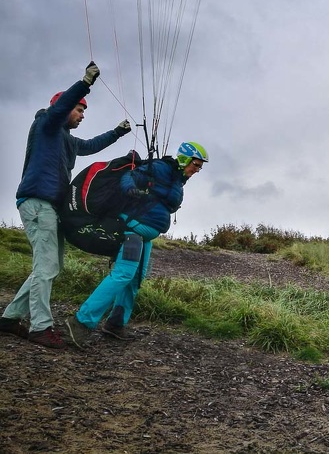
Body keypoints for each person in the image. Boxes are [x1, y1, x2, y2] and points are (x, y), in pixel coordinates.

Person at [0, 63, 131, 349]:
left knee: (50, 266)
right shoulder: (45, 125)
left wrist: (117, 133)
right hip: (37, 203)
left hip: (50, 208)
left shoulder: (67, 141)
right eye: (80, 110)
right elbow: (59, 110)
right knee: (46, 266)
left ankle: (10, 319)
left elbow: (92, 146)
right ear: (63, 106)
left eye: (84, 111)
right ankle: (40, 327)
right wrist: (85, 83)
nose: (82, 115)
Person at [65, 142, 208, 347]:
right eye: (196, 164)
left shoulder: (178, 179)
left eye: (200, 166)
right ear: (185, 158)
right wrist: (131, 189)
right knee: (123, 274)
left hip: (145, 236)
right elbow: (129, 176)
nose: (197, 169)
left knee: (136, 279)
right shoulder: (160, 167)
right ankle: (81, 322)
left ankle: (115, 324)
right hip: (133, 231)